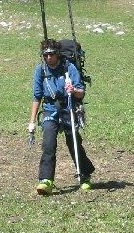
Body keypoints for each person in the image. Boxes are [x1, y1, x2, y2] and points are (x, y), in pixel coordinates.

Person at [28, 38, 95, 195]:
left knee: (74, 142)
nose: (49, 58)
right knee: (48, 143)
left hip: (68, 107)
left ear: (57, 54)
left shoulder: (69, 68)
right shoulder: (41, 70)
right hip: (50, 109)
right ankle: (45, 180)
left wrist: (73, 90)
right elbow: (37, 96)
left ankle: (85, 175)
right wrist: (31, 122)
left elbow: (81, 92)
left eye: (51, 54)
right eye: (45, 55)